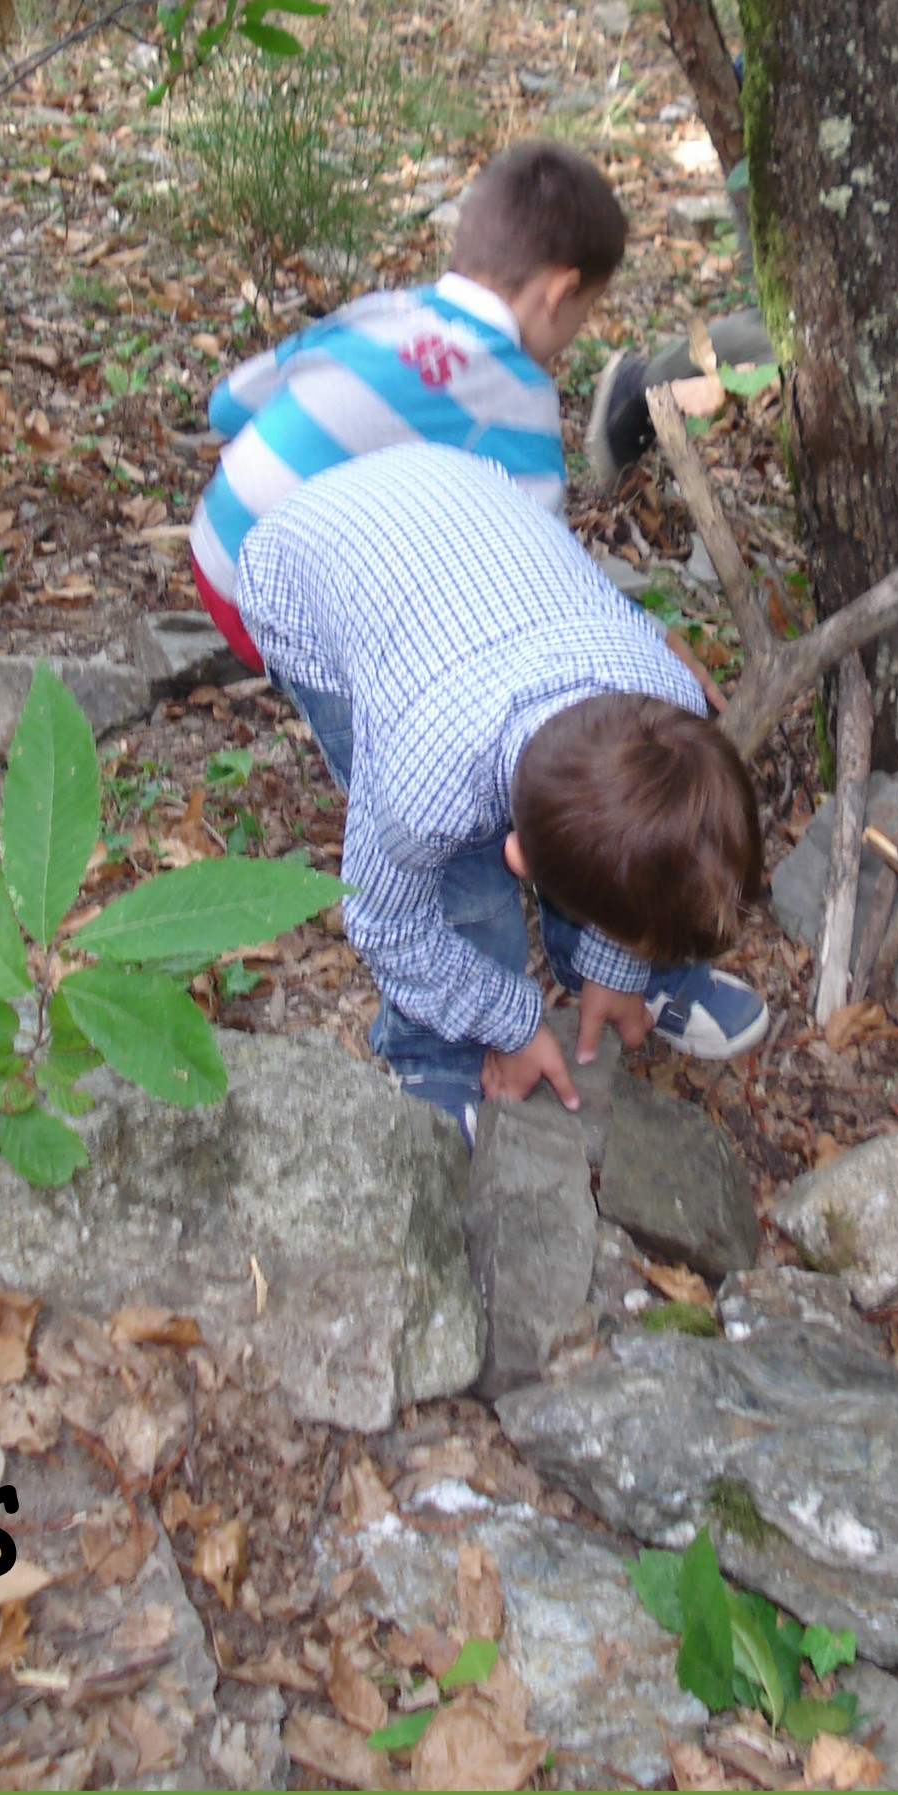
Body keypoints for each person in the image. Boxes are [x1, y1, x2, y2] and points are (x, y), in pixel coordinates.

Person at [234, 441, 774, 1136]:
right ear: (519, 856)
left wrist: (617, 963)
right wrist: (512, 1022)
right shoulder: (420, 792)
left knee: (636, 838)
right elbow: (385, 923)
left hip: (467, 522)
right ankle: (432, 1042)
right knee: (462, 893)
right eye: (641, 942)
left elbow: (650, 830)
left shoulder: (669, 697)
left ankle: (597, 966)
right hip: (305, 569)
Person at [189, 137, 625, 744]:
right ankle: (376, 782)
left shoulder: (384, 309)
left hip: (214, 540)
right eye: (587, 311)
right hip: (267, 601)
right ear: (560, 293)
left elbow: (228, 404)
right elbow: (540, 572)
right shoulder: (515, 391)